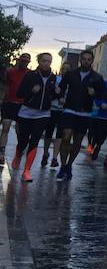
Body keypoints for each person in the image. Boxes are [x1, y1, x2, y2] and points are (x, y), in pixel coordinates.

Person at [57, 50, 107, 181]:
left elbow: (104, 94)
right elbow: (61, 88)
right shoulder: (71, 74)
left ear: (92, 61)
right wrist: (61, 97)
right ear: (80, 59)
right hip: (69, 110)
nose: (86, 61)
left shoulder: (97, 77)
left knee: (78, 142)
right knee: (66, 137)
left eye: (89, 59)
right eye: (84, 59)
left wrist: (94, 94)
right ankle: (63, 166)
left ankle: (69, 165)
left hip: (85, 113)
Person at [10, 53, 55, 182]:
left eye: (49, 61)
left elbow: (54, 94)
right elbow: (20, 93)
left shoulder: (53, 77)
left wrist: (59, 94)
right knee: (23, 140)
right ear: (39, 62)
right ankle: (19, 153)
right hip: (27, 112)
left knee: (34, 141)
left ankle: (27, 171)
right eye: (44, 60)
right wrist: (31, 91)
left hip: (43, 114)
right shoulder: (30, 75)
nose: (47, 63)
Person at [0, 53, 31, 165]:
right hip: (9, 103)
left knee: (20, 131)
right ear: (19, 60)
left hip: (22, 105)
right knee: (5, 127)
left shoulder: (29, 74)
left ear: (29, 62)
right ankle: (2, 152)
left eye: (26, 61)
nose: (24, 62)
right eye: (22, 60)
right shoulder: (10, 72)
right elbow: (6, 86)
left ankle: (19, 150)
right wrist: (3, 99)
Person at [45, 61, 70, 168]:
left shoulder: (72, 82)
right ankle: (45, 153)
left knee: (60, 134)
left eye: (68, 69)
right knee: (49, 133)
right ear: (61, 69)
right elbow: (50, 92)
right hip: (52, 109)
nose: (65, 71)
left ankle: (54, 158)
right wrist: (57, 95)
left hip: (64, 111)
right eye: (63, 69)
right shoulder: (56, 79)